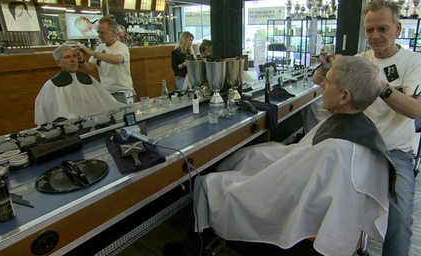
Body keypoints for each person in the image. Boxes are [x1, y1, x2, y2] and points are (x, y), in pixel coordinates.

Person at [165, 56, 395, 256]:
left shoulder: (338, 149)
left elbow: (284, 186)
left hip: (288, 213)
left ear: (345, 96)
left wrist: (256, 174)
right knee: (253, 155)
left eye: (328, 82)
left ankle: (192, 248)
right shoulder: (358, 128)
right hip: (304, 193)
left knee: (208, 183)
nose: (322, 85)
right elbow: (300, 165)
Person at [358, 0, 421, 256]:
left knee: (399, 220)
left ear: (397, 29)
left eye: (382, 29)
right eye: (369, 30)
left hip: (395, 150)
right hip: (360, 146)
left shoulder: (414, 62)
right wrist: (324, 74)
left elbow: (414, 109)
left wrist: (381, 86)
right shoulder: (360, 60)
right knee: (332, 201)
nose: (374, 36)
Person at [34, 45, 124, 125]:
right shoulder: (52, 86)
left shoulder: (88, 79)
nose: (73, 60)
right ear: (58, 62)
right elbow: (44, 115)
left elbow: (108, 103)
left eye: (74, 56)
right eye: (67, 57)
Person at [78, 16, 135, 104]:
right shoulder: (99, 48)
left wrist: (92, 53)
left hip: (123, 92)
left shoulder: (122, 48)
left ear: (113, 33)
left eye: (103, 32)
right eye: (98, 32)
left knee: (125, 117)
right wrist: (81, 60)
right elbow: (89, 68)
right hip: (106, 93)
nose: (99, 35)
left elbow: (117, 59)